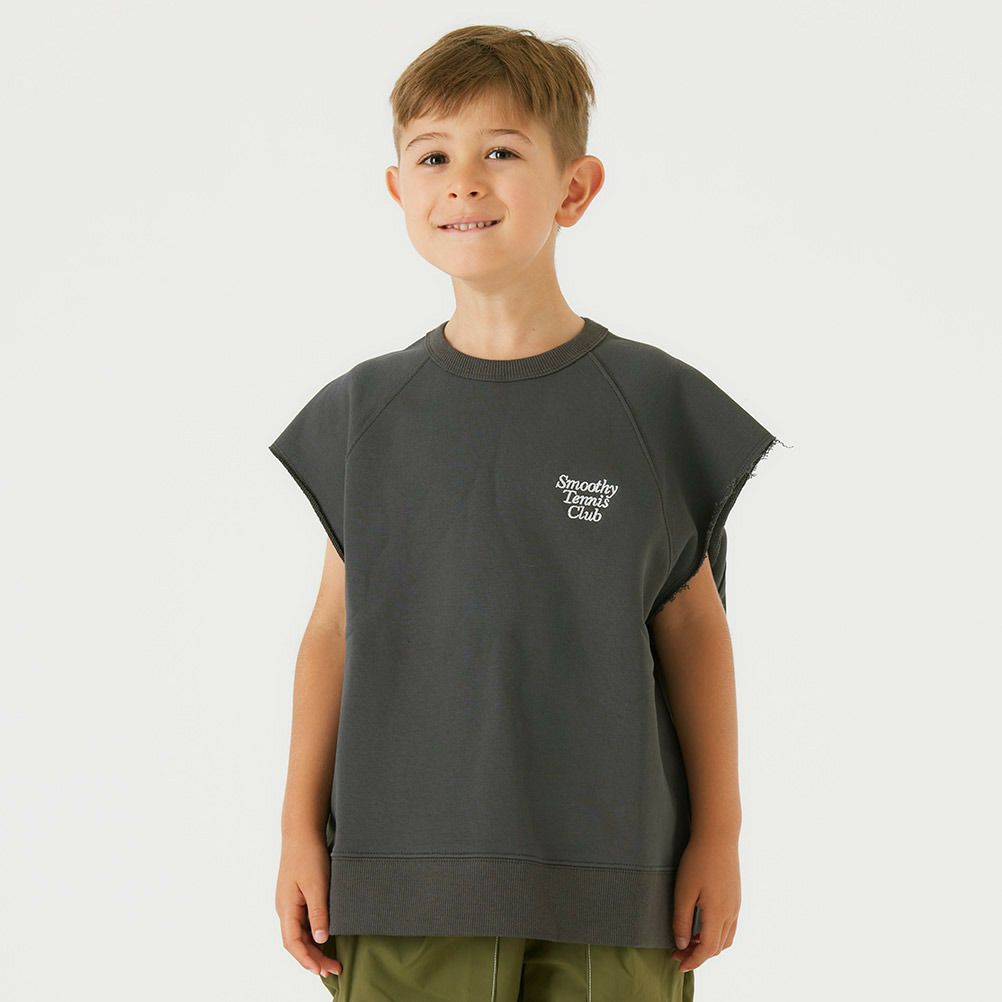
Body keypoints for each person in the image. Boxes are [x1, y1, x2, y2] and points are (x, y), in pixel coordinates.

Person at [269, 23, 782, 1002]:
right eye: (434, 158)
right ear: (399, 191)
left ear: (575, 189)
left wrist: (719, 835)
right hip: (404, 882)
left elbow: (694, 632)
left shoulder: (653, 406)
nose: (463, 183)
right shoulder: (364, 416)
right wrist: (297, 829)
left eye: (500, 152)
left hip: (615, 886)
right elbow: (331, 631)